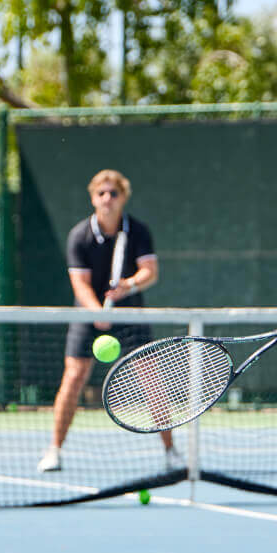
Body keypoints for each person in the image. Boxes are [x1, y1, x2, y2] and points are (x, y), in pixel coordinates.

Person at [37, 169, 182, 473]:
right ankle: (54, 450)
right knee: (74, 377)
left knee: (151, 381)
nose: (107, 199)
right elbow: (80, 284)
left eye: (113, 193)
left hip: (130, 313)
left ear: (123, 198)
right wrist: (97, 312)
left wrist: (128, 285)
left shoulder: (137, 232)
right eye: (101, 193)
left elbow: (150, 272)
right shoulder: (80, 235)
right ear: (93, 198)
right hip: (89, 314)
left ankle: (170, 452)